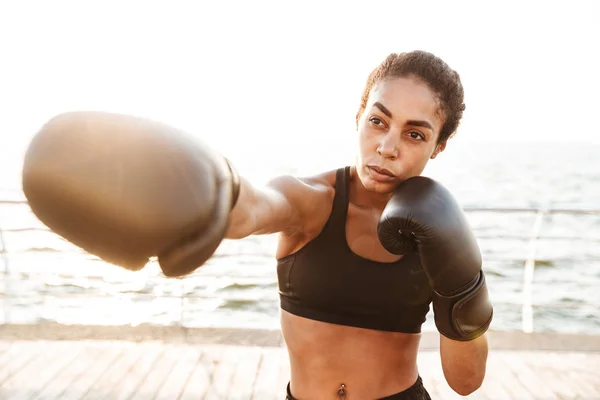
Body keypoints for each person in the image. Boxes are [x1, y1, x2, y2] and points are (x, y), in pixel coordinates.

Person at [22, 50, 492, 399]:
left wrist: (463, 288)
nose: (388, 146)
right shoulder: (313, 201)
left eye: (414, 133)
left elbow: (465, 382)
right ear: (358, 119)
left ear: (438, 147)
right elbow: (252, 208)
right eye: (377, 121)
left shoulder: (438, 231)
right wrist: (205, 188)